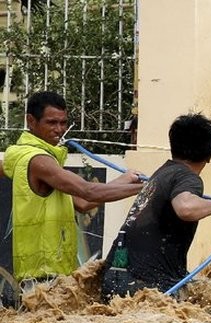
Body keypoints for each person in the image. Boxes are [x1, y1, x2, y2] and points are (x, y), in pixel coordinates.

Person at [1, 91, 143, 303]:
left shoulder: (37, 157)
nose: (59, 130)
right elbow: (88, 191)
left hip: (52, 273)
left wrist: (125, 180)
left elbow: (83, 203)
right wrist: (149, 188)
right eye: (51, 122)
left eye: (63, 123)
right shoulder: (39, 160)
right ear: (31, 121)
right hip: (43, 277)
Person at [101, 113, 211, 301]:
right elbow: (185, 207)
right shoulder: (188, 178)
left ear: (173, 146)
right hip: (148, 285)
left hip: (114, 278)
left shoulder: (162, 173)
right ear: (209, 155)